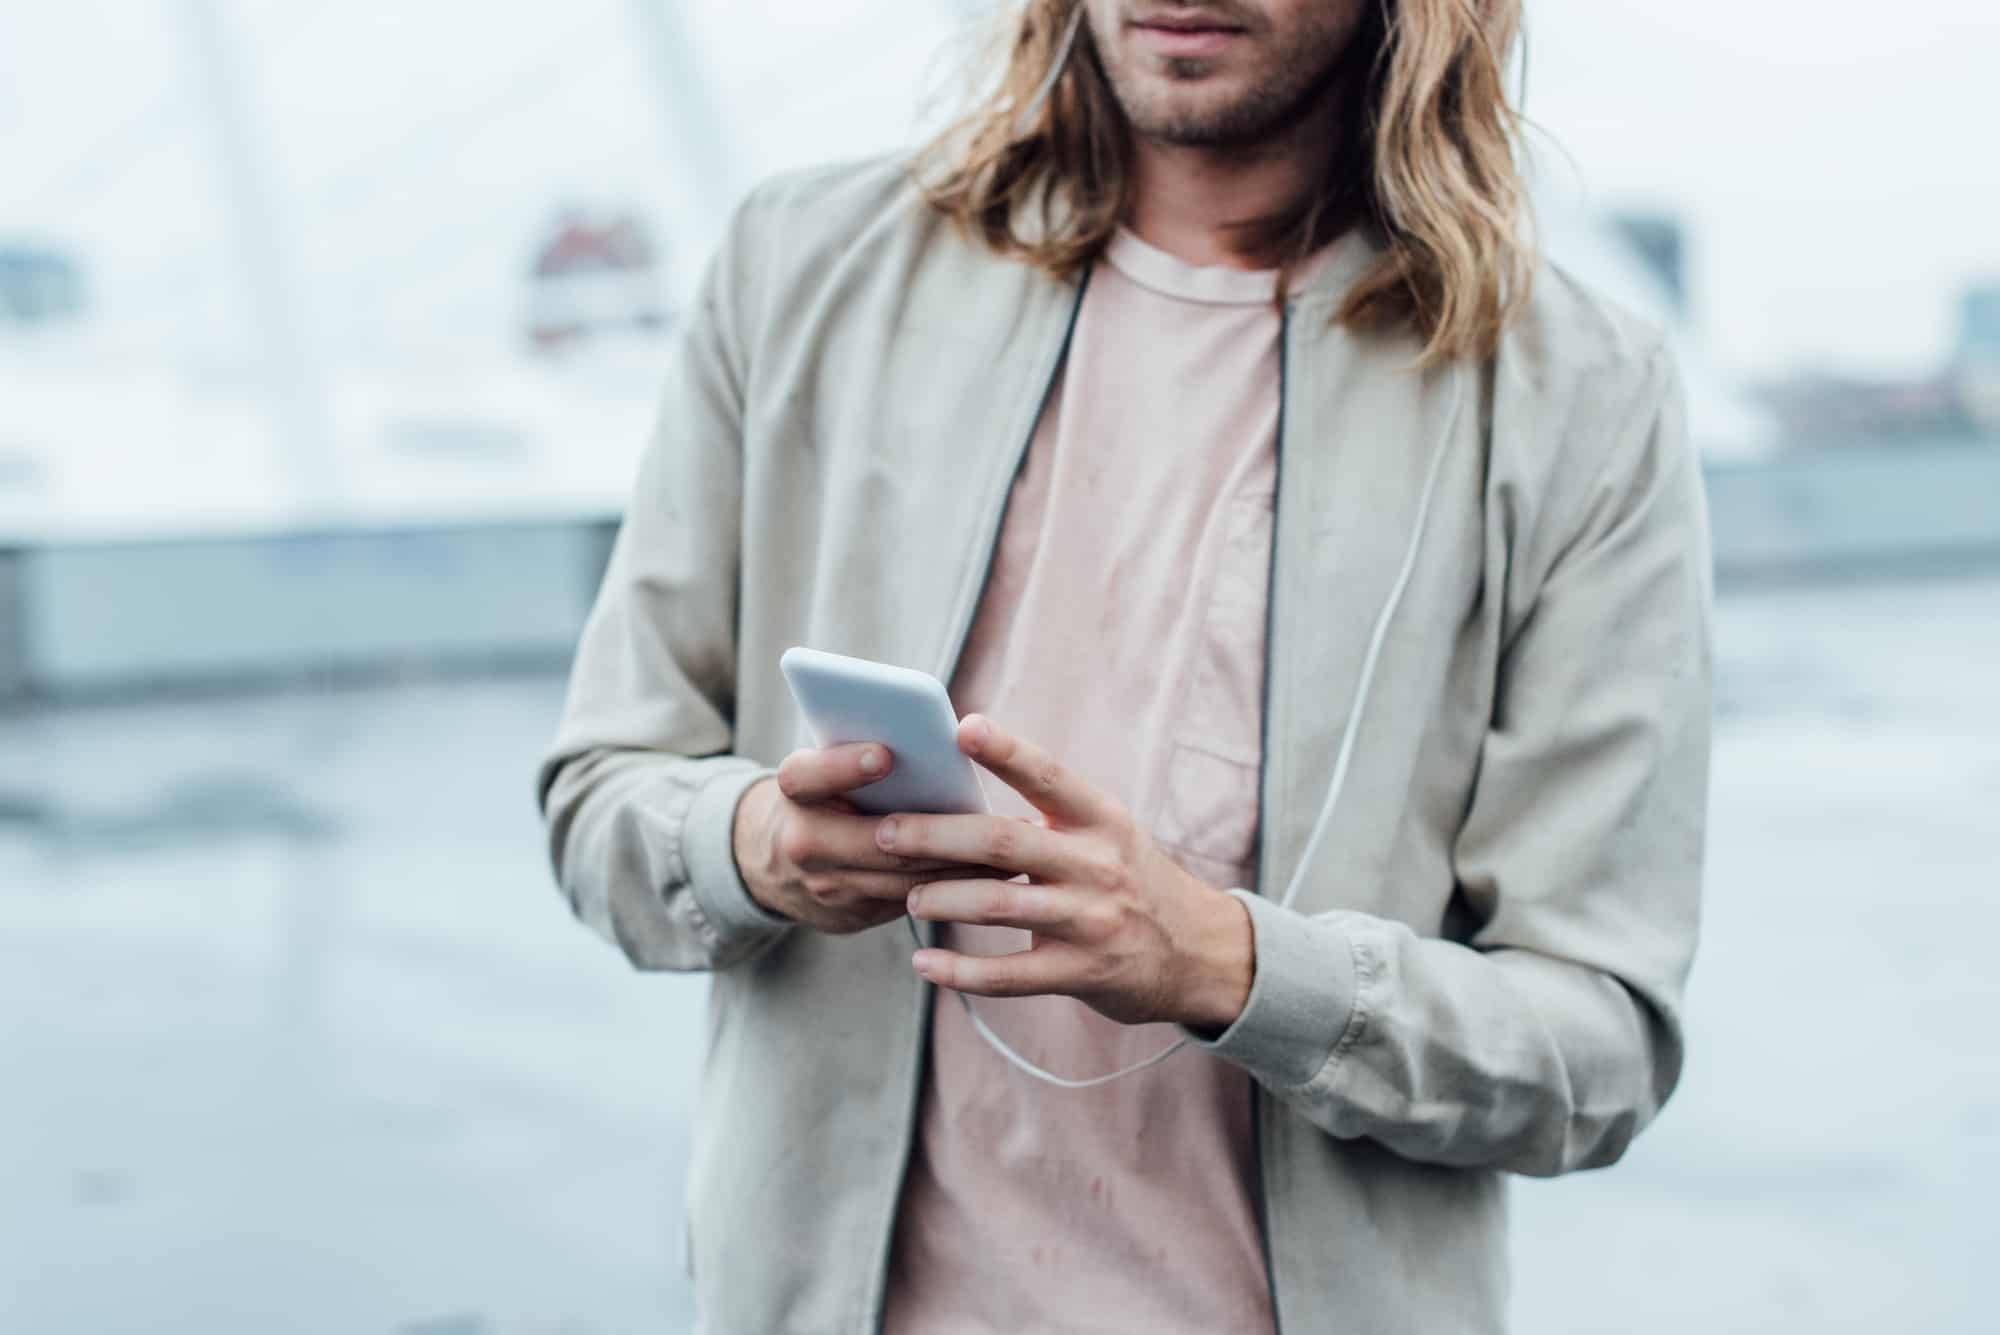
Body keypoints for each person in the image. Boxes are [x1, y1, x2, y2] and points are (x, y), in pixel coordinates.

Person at [536, 0, 1713, 1330]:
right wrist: (752, 845)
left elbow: (1600, 1053)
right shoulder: (797, 269)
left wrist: (1230, 964)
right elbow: (596, 805)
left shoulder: (1582, 396)